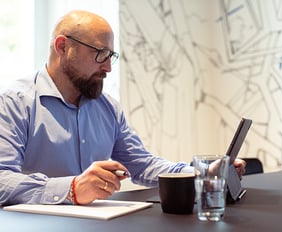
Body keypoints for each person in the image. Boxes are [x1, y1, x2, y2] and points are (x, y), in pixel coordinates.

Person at [0, 10, 246, 206]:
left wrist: (202, 172)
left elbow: (143, 165)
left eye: (111, 56)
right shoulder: (14, 104)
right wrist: (72, 189)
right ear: (62, 46)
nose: (107, 67)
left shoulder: (107, 108)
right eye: (99, 54)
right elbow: (2, 180)